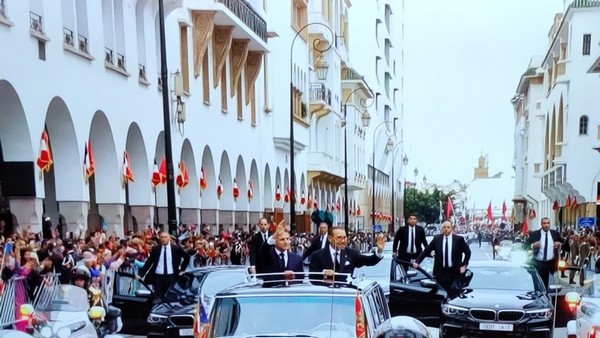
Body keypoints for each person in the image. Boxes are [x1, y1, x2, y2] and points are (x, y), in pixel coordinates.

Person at [413, 221, 471, 297]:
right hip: (440, 273)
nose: (446, 229)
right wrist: (417, 261)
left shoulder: (459, 240)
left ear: (451, 228)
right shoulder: (437, 239)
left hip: (454, 273)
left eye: (448, 227)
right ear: (441, 229)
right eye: (444, 227)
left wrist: (464, 265)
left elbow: (468, 252)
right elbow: (426, 251)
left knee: (454, 295)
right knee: (441, 295)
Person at [309, 226, 385, 282]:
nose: (343, 241)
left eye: (344, 237)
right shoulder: (317, 255)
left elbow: (368, 261)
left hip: (346, 295)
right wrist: (323, 273)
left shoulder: (351, 254)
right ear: (330, 238)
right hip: (326, 296)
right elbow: (311, 277)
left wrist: (379, 251)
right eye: (339, 238)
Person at [138, 231, 190, 299]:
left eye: (165, 237)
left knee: (169, 296)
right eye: (161, 237)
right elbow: (149, 262)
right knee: (157, 297)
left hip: (171, 276)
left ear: (169, 238)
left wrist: (182, 270)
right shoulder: (156, 249)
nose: (163, 239)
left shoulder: (176, 249)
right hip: (158, 277)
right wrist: (141, 274)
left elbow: (187, 258)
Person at [257, 222, 304, 286]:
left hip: (292, 293)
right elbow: (263, 249)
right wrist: (275, 235)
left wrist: (293, 277)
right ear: (275, 242)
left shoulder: (296, 258)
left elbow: (300, 279)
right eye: (282, 239)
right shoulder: (267, 255)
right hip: (272, 293)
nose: (286, 242)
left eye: (287, 239)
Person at [525, 217, 564, 290]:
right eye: (544, 223)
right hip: (539, 263)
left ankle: (548, 297)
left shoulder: (555, 233)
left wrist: (560, 244)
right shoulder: (535, 234)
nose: (546, 225)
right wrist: (533, 245)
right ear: (541, 224)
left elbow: (565, 243)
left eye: (548, 223)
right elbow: (525, 246)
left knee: (550, 285)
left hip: (551, 263)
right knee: (538, 283)